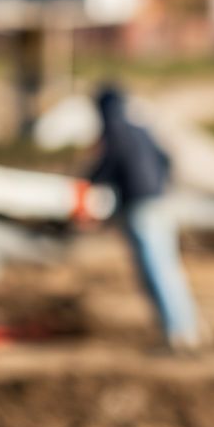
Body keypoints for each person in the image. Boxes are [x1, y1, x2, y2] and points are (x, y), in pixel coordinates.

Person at [85, 83, 205, 353]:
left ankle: (177, 335)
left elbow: (106, 166)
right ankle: (188, 329)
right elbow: (166, 159)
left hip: (141, 209)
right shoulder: (141, 129)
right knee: (169, 270)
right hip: (160, 203)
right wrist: (160, 186)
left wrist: (86, 182)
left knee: (155, 272)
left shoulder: (115, 131)